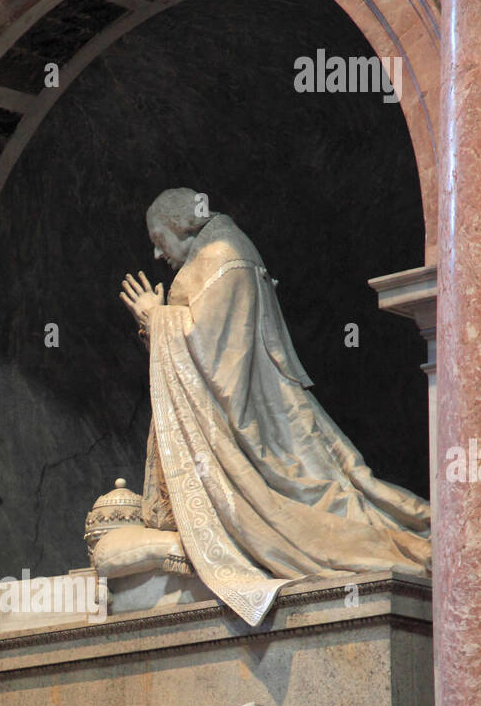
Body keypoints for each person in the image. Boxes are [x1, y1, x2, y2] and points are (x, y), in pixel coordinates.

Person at [119, 190, 431, 626]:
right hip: (265, 412)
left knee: (322, 502)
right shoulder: (217, 255)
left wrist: (158, 317)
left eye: (159, 237)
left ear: (181, 223)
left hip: (264, 423)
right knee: (330, 491)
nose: (156, 252)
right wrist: (158, 328)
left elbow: (215, 358)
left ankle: (414, 544)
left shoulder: (224, 256)